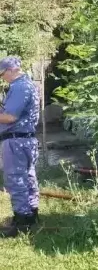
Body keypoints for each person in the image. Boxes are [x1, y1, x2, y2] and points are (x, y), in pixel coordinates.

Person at [0, 57, 40, 237]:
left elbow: (9, 118)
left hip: (16, 140)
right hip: (27, 139)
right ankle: (32, 215)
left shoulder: (19, 87)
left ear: (11, 70)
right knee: (29, 177)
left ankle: (22, 223)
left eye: (2, 74)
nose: (3, 78)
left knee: (16, 180)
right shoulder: (29, 85)